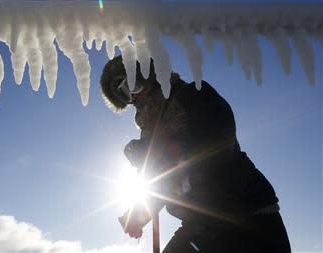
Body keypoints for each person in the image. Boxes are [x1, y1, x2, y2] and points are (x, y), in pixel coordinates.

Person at [100, 55, 291, 253]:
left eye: (133, 83)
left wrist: (156, 150)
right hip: (204, 226)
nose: (133, 96)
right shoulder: (151, 132)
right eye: (124, 93)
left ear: (151, 75)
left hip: (249, 219)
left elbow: (217, 142)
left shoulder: (192, 95)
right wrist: (137, 216)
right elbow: (162, 183)